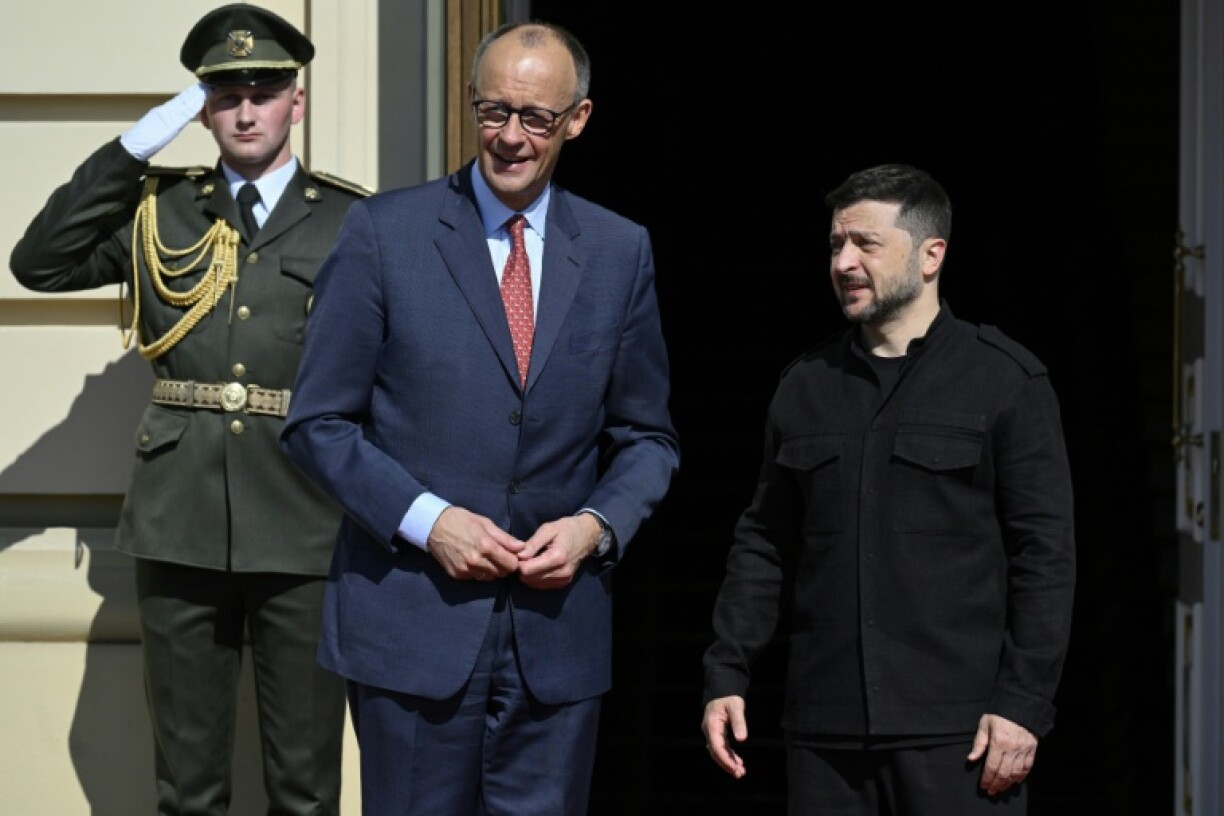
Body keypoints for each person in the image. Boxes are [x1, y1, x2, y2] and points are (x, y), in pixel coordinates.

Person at [278, 19, 680, 816]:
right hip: (411, 629)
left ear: (578, 120)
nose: (511, 137)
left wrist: (594, 525)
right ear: (470, 105)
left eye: (535, 117)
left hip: (556, 638)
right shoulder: (382, 234)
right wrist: (431, 522)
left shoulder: (617, 249)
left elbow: (648, 437)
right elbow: (316, 424)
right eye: (493, 111)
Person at [8, 5, 372, 813]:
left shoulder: (355, 220)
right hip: (179, 521)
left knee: (307, 787)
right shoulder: (158, 209)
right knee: (189, 787)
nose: (246, 109)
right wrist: (132, 150)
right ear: (203, 107)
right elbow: (38, 263)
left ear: (296, 102)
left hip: (307, 521)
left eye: (266, 91)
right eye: (225, 93)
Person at [700, 163, 1076, 815]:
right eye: (835, 245)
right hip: (825, 737)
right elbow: (763, 542)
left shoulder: (1005, 381)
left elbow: (1046, 556)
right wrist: (727, 671)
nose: (843, 262)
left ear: (932, 254)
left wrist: (1022, 705)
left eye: (865, 244)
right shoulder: (804, 385)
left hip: (961, 739)